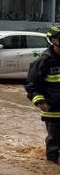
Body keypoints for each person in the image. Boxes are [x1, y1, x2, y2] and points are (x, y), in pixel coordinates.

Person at [25, 25, 60, 163]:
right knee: (54, 143)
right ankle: (51, 168)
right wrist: (40, 101)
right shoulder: (44, 61)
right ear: (54, 41)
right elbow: (31, 85)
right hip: (53, 111)